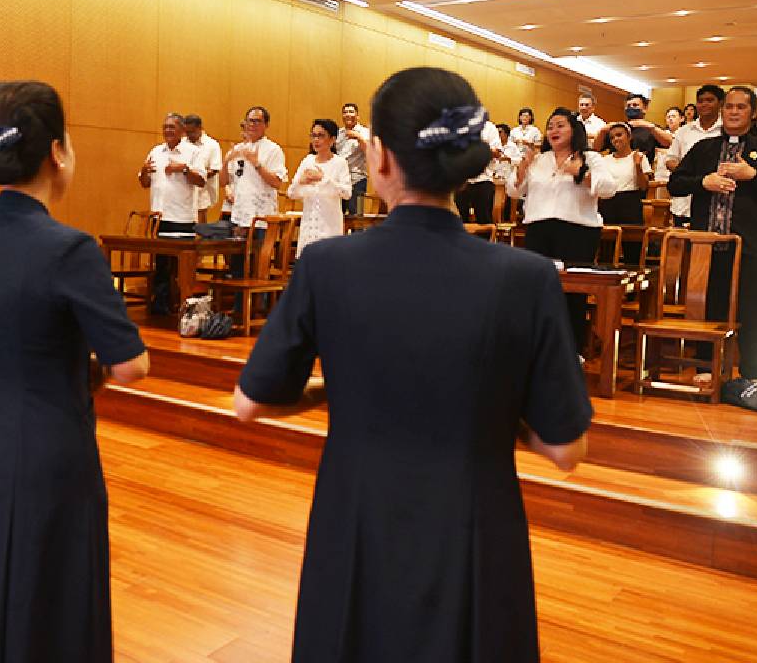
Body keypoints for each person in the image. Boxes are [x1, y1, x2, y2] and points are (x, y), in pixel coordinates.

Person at [234, 66, 590, 662]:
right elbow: (566, 450)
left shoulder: (328, 266)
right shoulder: (526, 277)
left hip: (356, 526)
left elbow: (252, 402)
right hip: (475, 532)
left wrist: (334, 390)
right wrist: (491, 405)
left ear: (380, 159)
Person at [0, 81, 149, 663]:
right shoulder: (69, 248)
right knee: (50, 587)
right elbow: (130, 364)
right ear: (57, 152)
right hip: (50, 447)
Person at [668, 86, 757, 391]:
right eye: (730, 107)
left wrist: (752, 175)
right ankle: (708, 365)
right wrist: (703, 182)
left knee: (753, 310)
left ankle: (752, 372)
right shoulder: (704, 148)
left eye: (741, 107)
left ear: (752, 112)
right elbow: (675, 183)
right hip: (708, 245)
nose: (734, 112)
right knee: (711, 306)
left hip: (750, 245)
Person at [508, 107, 616, 354]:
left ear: (573, 129)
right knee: (538, 290)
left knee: (572, 294)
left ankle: (572, 351)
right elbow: (514, 191)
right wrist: (522, 168)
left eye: (560, 125)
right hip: (538, 228)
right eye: (550, 127)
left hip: (578, 232)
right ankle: (538, 349)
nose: (553, 131)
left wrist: (580, 172)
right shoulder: (539, 160)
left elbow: (609, 188)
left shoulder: (589, 158)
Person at [137, 113, 205, 313]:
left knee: (179, 268)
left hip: (182, 218)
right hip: (159, 218)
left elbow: (201, 180)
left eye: (172, 127)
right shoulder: (156, 151)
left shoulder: (193, 152)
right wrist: (143, 171)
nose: (167, 131)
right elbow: (144, 183)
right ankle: (161, 305)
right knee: (161, 264)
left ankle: (181, 305)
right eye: (165, 127)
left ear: (182, 131)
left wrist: (183, 169)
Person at [288, 119, 351, 257]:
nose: (316, 140)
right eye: (313, 135)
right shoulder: (307, 161)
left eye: (321, 136)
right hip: (309, 227)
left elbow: (346, 193)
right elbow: (291, 193)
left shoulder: (340, 163)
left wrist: (323, 179)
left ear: (332, 139)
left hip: (329, 227)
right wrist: (301, 181)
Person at [666, 84, 724, 226]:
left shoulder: (726, 131)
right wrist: (691, 173)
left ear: (721, 103)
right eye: (700, 101)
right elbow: (670, 160)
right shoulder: (684, 131)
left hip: (716, 200)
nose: (704, 104)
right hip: (683, 200)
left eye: (710, 100)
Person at [598, 123, 652, 263]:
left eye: (619, 135)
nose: (616, 139)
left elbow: (643, 186)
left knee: (633, 251)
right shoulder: (605, 160)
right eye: (612, 137)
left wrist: (638, 166)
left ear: (629, 137)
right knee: (606, 251)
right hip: (608, 203)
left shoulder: (639, 156)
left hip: (630, 203)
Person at [595, 93, 674, 165]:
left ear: (645, 108)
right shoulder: (617, 128)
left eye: (635, 105)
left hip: (642, 170)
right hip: (616, 169)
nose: (631, 108)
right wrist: (602, 131)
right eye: (628, 106)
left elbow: (669, 142)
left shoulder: (651, 128)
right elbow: (596, 148)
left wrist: (651, 127)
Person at [453, 118, 503, 223]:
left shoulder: (489, 127)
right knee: (460, 221)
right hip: (462, 180)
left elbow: (497, 153)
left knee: (484, 220)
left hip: (483, 179)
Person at [182, 113, 222, 223]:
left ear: (200, 128)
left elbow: (214, 169)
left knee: (200, 227)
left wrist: (197, 177)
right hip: (184, 190)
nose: (189, 135)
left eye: (192, 132)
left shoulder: (212, 145)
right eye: (186, 132)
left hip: (203, 190)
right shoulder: (182, 143)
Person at [335, 102, 370, 215]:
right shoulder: (338, 133)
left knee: (356, 215)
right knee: (338, 215)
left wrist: (358, 137)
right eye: (345, 112)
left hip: (357, 179)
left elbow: (369, 152)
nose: (348, 114)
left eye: (351, 112)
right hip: (339, 179)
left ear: (357, 115)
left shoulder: (365, 132)